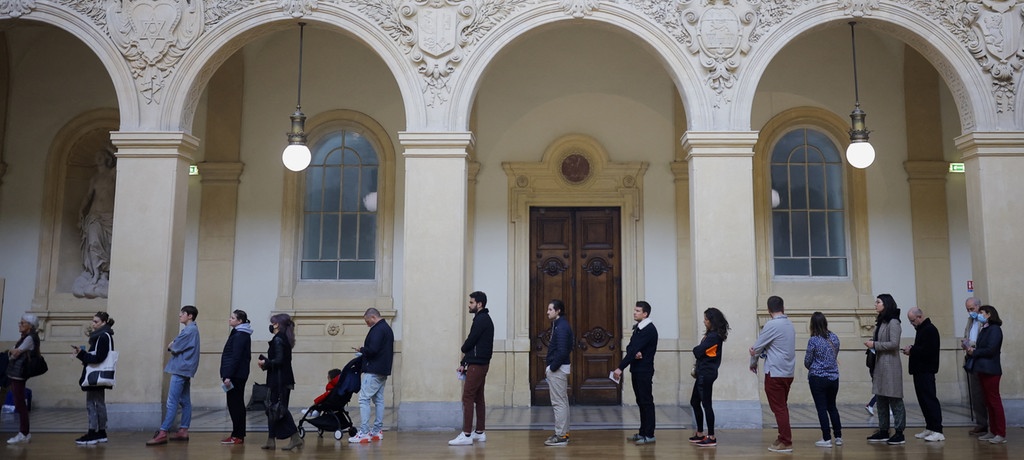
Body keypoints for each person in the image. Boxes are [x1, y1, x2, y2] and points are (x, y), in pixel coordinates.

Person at [147, 305, 201, 446]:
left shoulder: (189, 330)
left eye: (182, 313)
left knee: (172, 402)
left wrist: (172, 344)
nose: (179, 316)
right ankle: (183, 430)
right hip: (185, 369)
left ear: (190, 316)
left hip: (180, 369)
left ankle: (163, 432)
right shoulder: (192, 329)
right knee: (185, 401)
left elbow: (174, 346)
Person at [749, 295, 796, 453]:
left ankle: (786, 441)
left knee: (779, 408)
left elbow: (756, 348)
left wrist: (753, 362)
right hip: (788, 372)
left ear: (769, 310)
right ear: (783, 307)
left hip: (775, 372)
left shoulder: (772, 325)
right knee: (782, 407)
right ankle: (782, 437)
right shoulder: (789, 324)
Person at [449, 291, 495, 446]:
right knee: (478, 398)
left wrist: (463, 350)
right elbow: (474, 345)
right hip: (479, 363)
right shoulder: (483, 319)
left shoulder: (481, 320)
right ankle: (480, 432)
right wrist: (463, 363)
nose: (469, 305)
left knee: (467, 397)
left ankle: (467, 434)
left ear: (479, 304)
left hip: (477, 365)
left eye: (471, 302)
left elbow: (470, 342)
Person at [73, 148, 116, 299]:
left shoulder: (112, 174)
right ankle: (95, 274)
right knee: (93, 243)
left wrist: (110, 147)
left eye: (100, 155)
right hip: (94, 215)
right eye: (96, 155)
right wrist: (80, 211)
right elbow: (88, 196)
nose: (97, 158)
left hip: (109, 215)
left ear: (107, 158)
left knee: (108, 246)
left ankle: (105, 275)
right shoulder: (95, 179)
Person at [613, 301, 659, 445]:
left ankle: (649, 434)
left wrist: (620, 368)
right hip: (637, 369)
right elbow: (630, 347)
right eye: (635, 310)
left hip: (644, 370)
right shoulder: (639, 329)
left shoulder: (649, 329)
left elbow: (633, 348)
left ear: (645, 314)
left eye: (638, 311)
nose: (634, 313)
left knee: (646, 402)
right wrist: (635, 351)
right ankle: (642, 432)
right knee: (641, 402)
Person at [864, 294, 906, 445]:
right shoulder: (881, 322)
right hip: (880, 364)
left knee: (894, 398)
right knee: (881, 399)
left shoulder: (893, 322)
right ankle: (883, 430)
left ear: (886, 304)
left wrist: (874, 345)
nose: (875, 304)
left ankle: (899, 432)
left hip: (890, 365)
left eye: (878, 302)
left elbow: (894, 344)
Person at [349, 308, 394, 443]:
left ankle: (364, 432)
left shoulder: (378, 329)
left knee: (363, 399)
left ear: (373, 317)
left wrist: (362, 350)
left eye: (367, 321)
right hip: (383, 369)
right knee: (379, 399)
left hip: (373, 370)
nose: (367, 324)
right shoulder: (386, 328)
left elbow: (373, 350)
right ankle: (377, 431)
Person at [259, 313, 303, 450]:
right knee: (273, 409)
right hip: (281, 378)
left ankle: (295, 437)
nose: (272, 325)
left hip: (279, 380)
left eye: (273, 322)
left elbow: (279, 360)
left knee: (279, 409)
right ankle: (271, 440)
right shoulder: (284, 338)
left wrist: (265, 363)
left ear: (277, 324)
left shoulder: (278, 339)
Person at [71, 312, 115, 445]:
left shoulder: (103, 337)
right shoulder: (103, 336)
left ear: (104, 322)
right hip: (98, 374)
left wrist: (81, 354)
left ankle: (94, 433)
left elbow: (98, 358)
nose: (93, 324)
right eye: (93, 321)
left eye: (96, 322)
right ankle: (100, 432)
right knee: (98, 403)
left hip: (96, 374)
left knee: (93, 403)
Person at [689, 307, 729, 448]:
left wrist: (697, 350)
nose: (704, 321)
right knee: (694, 401)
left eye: (706, 319)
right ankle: (700, 433)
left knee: (706, 404)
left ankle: (711, 436)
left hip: (707, 373)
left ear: (712, 321)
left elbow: (698, 351)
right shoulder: (710, 335)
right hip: (703, 372)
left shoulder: (713, 337)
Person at [902, 307, 943, 442]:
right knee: (923, 400)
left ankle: (938, 430)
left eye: (912, 320)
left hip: (926, 370)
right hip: (920, 370)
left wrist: (912, 350)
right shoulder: (922, 330)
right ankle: (930, 427)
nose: (912, 323)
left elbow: (928, 351)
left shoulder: (930, 329)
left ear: (919, 317)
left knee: (929, 399)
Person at [967, 305, 1006, 444]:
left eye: (981, 312)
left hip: (991, 369)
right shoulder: (985, 328)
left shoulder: (995, 329)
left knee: (994, 402)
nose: (979, 315)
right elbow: (982, 345)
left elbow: (990, 349)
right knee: (988, 402)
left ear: (989, 314)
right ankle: (993, 431)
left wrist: (974, 352)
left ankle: (1000, 433)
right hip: (983, 368)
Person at [804, 312, 842, 448]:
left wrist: (814, 366)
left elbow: (807, 361)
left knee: (821, 408)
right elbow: (835, 354)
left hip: (818, 378)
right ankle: (838, 436)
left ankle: (826, 438)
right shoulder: (834, 337)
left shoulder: (813, 340)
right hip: (833, 377)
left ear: (812, 324)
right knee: (832, 406)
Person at [5, 314, 41, 444]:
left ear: (30, 326)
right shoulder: (25, 337)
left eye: (23, 323)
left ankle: (24, 432)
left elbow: (15, 352)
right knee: (18, 401)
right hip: (16, 372)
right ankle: (24, 432)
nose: (20, 325)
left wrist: (11, 351)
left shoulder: (30, 338)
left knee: (20, 403)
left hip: (19, 373)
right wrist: (12, 351)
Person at [220, 309, 253, 445]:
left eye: (233, 318)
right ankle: (236, 433)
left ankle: (238, 435)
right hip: (236, 374)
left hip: (235, 375)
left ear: (240, 321)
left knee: (235, 405)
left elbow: (235, 357)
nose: (230, 319)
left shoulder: (240, 335)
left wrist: (228, 375)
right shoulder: (239, 333)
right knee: (235, 404)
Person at [544, 299, 572, 447]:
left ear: (558, 311)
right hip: (560, 368)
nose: (547, 312)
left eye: (550, 309)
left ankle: (561, 435)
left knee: (558, 403)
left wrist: (552, 367)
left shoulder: (561, 327)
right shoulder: (560, 325)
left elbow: (562, 351)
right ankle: (564, 433)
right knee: (562, 401)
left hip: (558, 370)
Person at [961, 296, 988, 436]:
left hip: (982, 359)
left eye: (972, 309)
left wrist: (972, 345)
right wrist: (965, 342)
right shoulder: (970, 320)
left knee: (986, 393)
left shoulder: (985, 320)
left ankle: (989, 424)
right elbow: (968, 334)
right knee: (976, 393)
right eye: (968, 309)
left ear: (978, 306)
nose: (970, 312)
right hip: (971, 358)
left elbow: (984, 341)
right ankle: (981, 423)